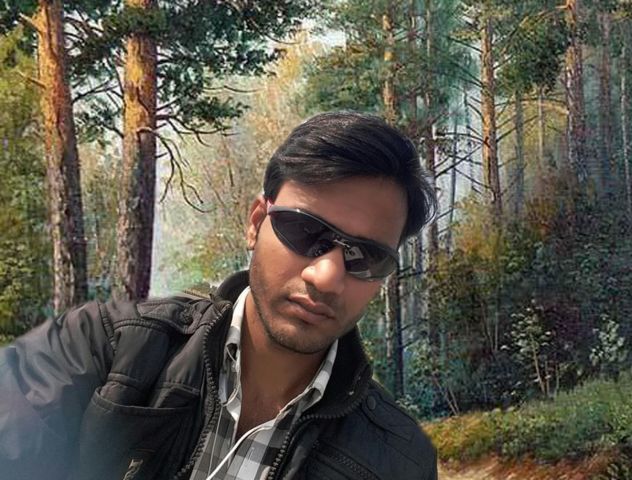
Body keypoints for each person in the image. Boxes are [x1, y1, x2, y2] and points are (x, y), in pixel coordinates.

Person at [0, 111, 438, 480]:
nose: (326, 277)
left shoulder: (399, 463)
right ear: (256, 223)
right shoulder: (101, 348)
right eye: (306, 231)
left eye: (366, 257)